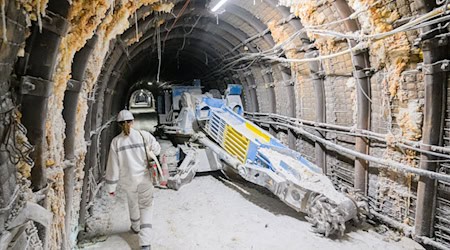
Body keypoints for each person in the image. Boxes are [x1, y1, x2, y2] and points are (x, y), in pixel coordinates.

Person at [105, 109, 161, 250]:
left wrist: (111, 187)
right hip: (144, 179)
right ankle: (145, 243)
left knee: (132, 202)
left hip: (128, 180)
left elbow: (113, 166)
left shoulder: (116, 142)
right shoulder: (144, 136)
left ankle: (135, 227)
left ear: (118, 125)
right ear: (133, 121)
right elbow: (157, 150)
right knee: (146, 207)